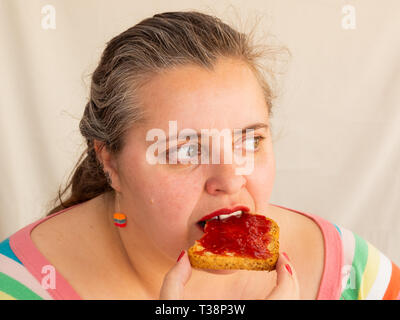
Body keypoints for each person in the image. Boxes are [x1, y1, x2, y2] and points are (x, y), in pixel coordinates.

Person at [0, 10, 399, 300]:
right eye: (185, 149)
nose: (230, 177)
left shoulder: (357, 276)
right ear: (110, 163)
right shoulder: (18, 285)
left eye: (249, 140)